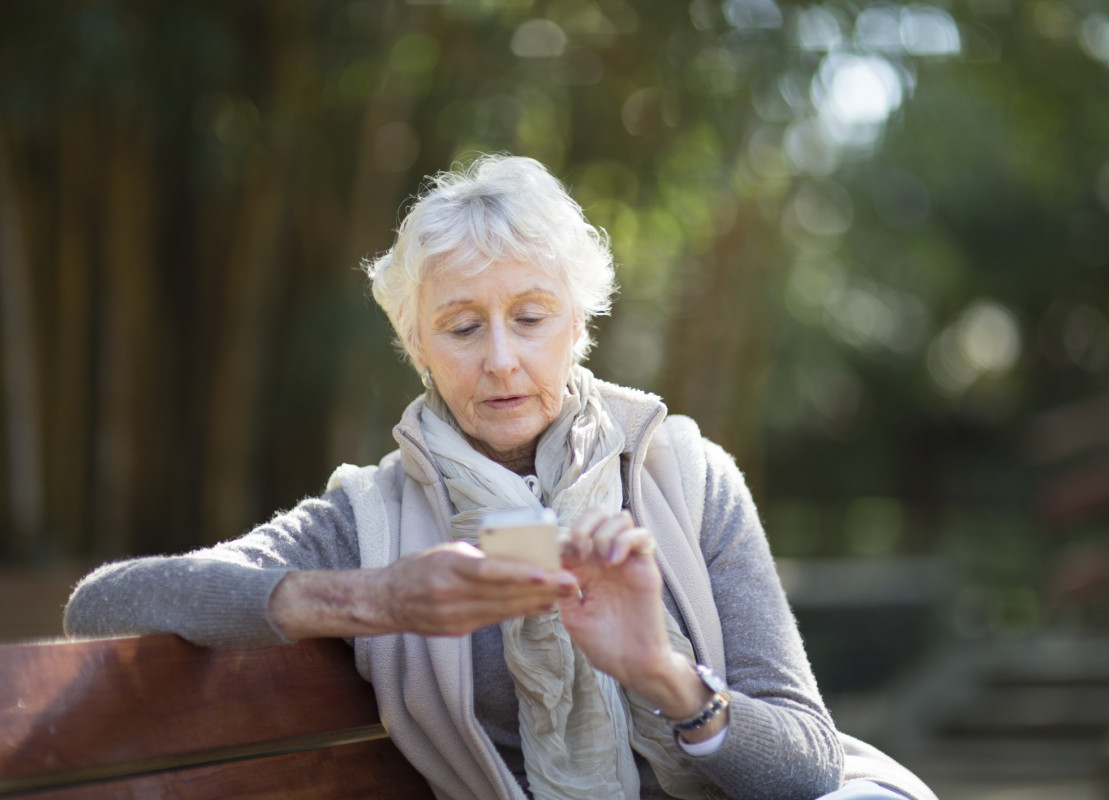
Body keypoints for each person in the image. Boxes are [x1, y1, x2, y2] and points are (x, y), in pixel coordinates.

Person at [65, 155, 936, 800]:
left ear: (579, 325)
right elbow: (103, 603)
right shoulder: (371, 517)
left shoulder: (684, 476)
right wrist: (375, 601)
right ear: (416, 347)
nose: (502, 361)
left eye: (529, 317)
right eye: (461, 327)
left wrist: (659, 671)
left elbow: (807, 762)